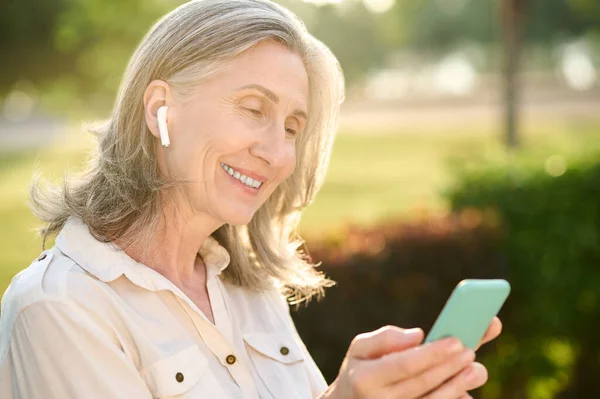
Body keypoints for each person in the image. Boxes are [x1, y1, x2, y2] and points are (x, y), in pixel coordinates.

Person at [0, 0, 502, 398]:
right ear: (160, 110)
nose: (277, 152)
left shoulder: (248, 287)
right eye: (252, 108)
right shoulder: (59, 309)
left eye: (291, 127)